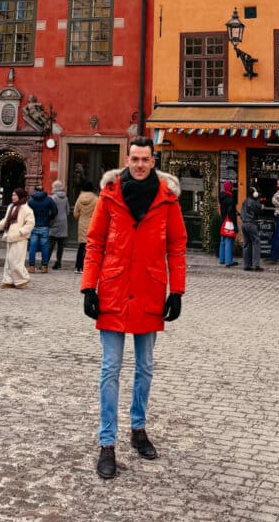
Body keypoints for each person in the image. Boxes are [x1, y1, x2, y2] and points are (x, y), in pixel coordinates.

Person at [81, 136, 187, 481]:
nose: (140, 164)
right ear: (127, 160)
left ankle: (138, 428)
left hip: (150, 292)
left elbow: (177, 246)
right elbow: (95, 243)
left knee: (145, 367)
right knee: (110, 369)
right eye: (135, 159)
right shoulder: (109, 196)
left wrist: (177, 291)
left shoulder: (167, 200)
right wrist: (88, 287)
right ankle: (107, 442)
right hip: (113, 290)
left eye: (145, 159)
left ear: (153, 161)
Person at [0, 187, 34, 289]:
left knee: (16, 261)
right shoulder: (11, 207)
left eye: (15, 195)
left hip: (20, 238)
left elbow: (30, 223)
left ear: (20, 196)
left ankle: (22, 280)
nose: (13, 197)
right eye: (12, 195)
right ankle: (8, 280)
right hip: (10, 236)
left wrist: (21, 232)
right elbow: (6, 220)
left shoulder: (26, 209)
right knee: (9, 261)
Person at [27, 184, 57, 273]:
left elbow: (27, 212)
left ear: (35, 190)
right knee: (45, 247)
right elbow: (55, 211)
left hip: (34, 225)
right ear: (43, 190)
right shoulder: (48, 200)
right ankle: (44, 266)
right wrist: (49, 218)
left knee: (32, 246)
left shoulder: (31, 201)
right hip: (44, 225)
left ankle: (31, 267)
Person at [73, 179, 98, 274]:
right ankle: (86, 267)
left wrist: (81, 217)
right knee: (90, 247)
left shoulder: (79, 198)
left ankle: (77, 267)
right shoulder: (96, 199)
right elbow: (99, 213)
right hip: (92, 224)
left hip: (82, 223)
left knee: (81, 246)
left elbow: (75, 213)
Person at [239, 186, 263, 272]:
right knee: (256, 243)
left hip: (244, 224)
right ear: (254, 194)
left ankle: (247, 265)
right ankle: (256, 265)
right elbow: (258, 211)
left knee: (246, 244)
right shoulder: (253, 202)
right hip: (251, 224)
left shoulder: (245, 201)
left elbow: (241, 213)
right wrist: (258, 201)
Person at [48, 179, 69, 269]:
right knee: (60, 246)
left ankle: (45, 262)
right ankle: (58, 262)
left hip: (54, 222)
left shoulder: (53, 198)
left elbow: (50, 211)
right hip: (63, 223)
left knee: (51, 244)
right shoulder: (66, 197)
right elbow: (68, 211)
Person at [218, 180, 239, 267]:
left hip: (223, 220)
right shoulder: (230, 198)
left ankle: (222, 259)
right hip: (229, 221)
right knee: (229, 241)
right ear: (230, 188)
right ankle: (228, 261)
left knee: (223, 240)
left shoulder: (222, 196)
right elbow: (230, 212)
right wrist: (235, 224)